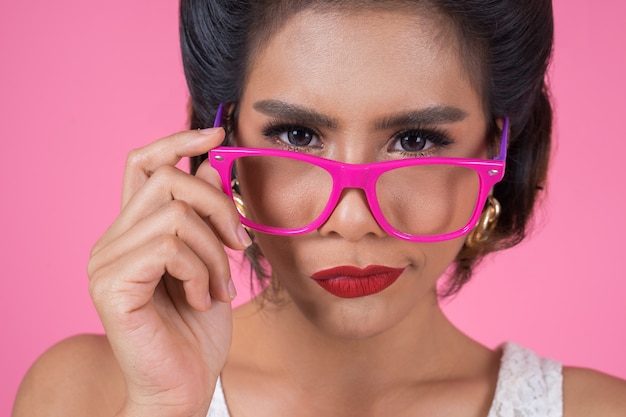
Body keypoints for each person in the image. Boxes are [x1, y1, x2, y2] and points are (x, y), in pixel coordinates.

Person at [13, 1, 626, 416]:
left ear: (496, 152)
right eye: (297, 135)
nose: (353, 217)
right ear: (220, 143)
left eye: (416, 140)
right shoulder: (87, 394)